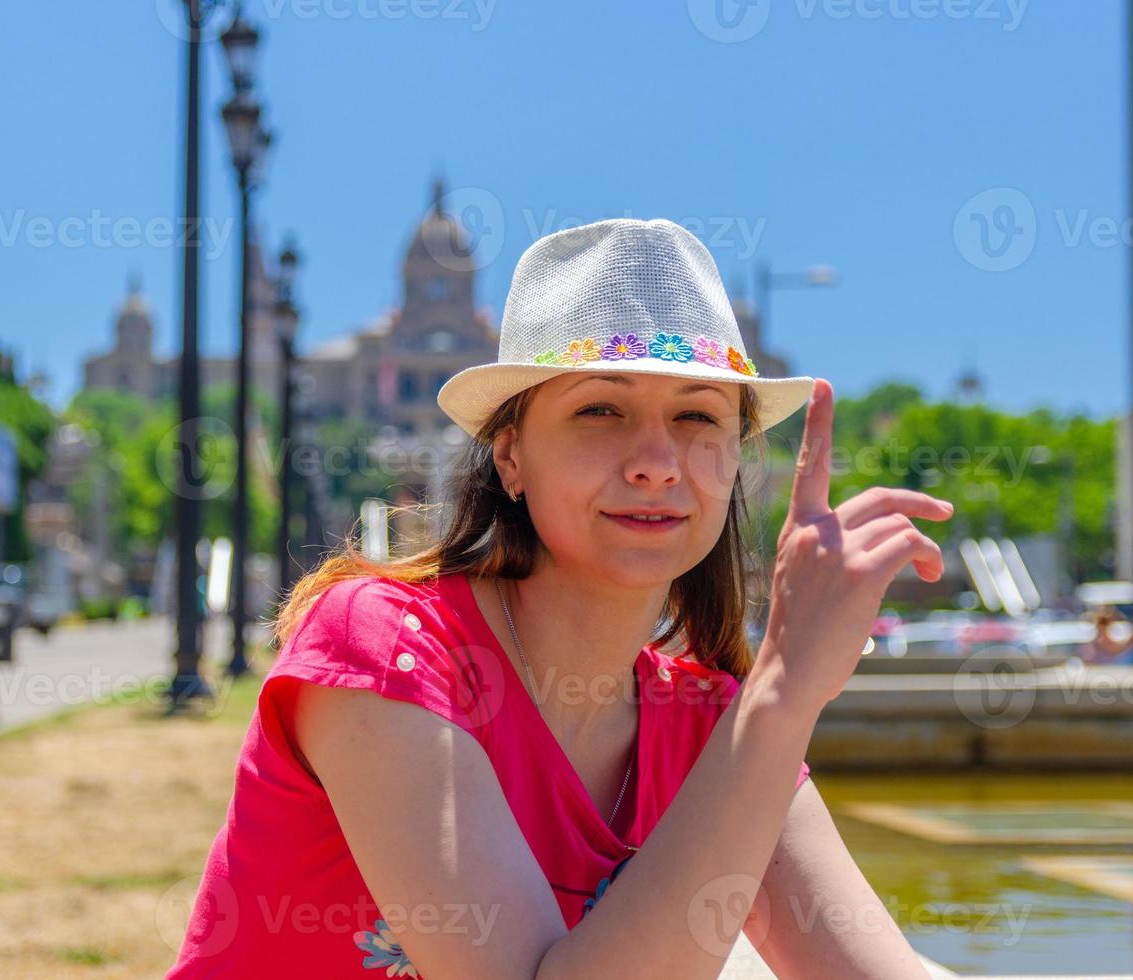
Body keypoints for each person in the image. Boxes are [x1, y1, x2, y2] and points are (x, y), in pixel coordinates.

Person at [168, 219, 950, 978]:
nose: (656, 462)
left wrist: (776, 704)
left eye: (697, 416)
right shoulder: (385, 647)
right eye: (600, 410)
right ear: (510, 456)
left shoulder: (708, 728)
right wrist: (783, 691)